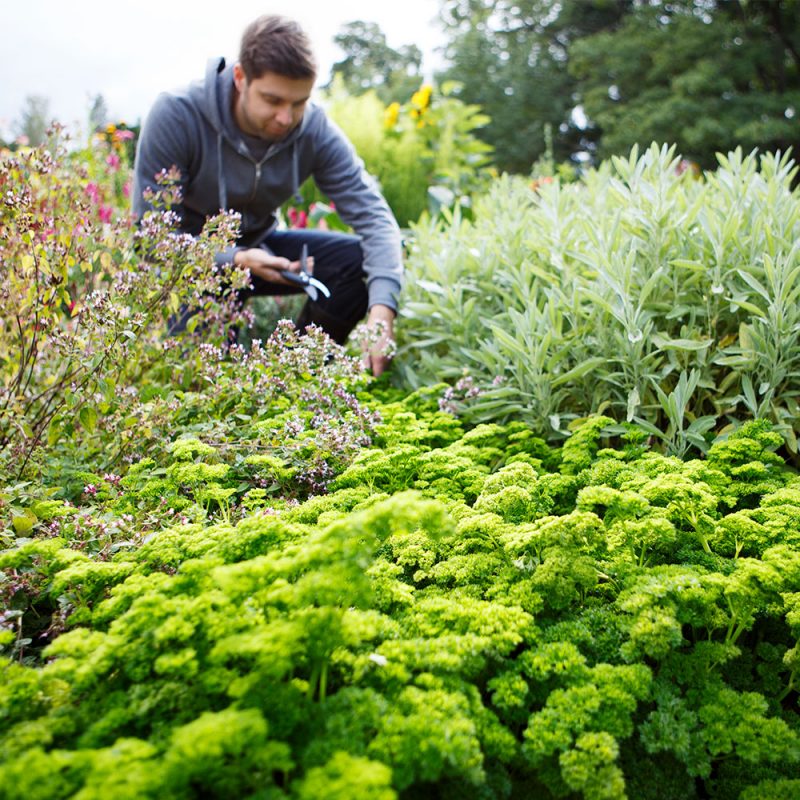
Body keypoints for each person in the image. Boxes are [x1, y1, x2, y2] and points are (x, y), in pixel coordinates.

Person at [133, 14, 403, 375]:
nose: (285, 118)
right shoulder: (178, 116)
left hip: (267, 253)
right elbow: (149, 242)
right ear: (241, 77)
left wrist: (382, 312)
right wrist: (234, 259)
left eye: (299, 102)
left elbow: (375, 218)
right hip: (191, 270)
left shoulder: (314, 129)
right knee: (201, 385)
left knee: (356, 262)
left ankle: (294, 372)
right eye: (273, 100)